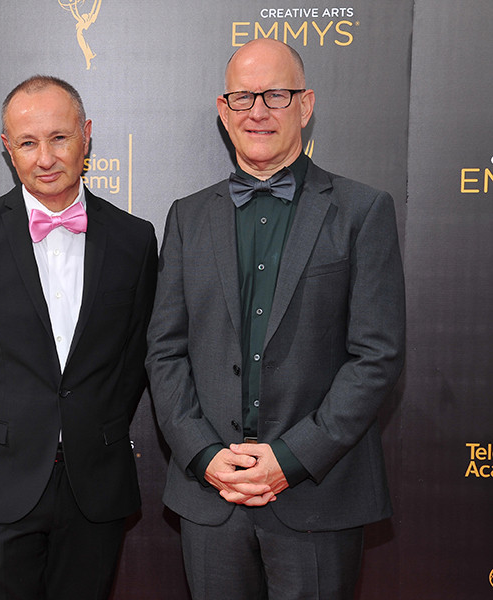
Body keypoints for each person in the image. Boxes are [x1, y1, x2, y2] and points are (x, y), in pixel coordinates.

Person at [146, 38, 406, 599]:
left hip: (319, 495)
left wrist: (290, 459)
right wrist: (204, 456)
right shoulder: (187, 217)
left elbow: (377, 357)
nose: (257, 111)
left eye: (276, 95)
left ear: (306, 105)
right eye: (243, 97)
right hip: (210, 497)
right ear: (223, 110)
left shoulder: (363, 211)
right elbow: (165, 351)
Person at [0, 75, 157, 600]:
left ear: (87, 136)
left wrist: (94, 420)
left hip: (93, 481)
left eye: (59, 137)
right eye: (28, 142)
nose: (45, 157)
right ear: (8, 149)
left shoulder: (134, 238)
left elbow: (137, 354)